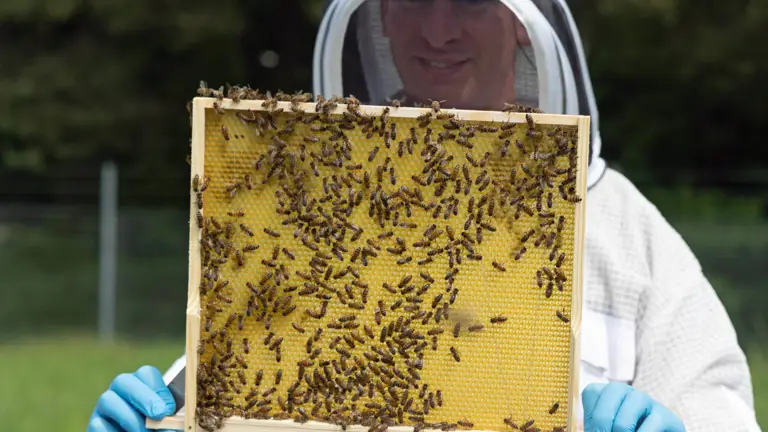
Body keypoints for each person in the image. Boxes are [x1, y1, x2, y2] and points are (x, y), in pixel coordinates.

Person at [87, 1, 763, 431]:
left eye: (469, 0)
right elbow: (229, 389)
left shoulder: (626, 234)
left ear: (525, 29)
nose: (439, 29)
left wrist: (675, 427)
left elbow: (717, 407)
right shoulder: (307, 209)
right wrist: (150, 417)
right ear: (376, 20)